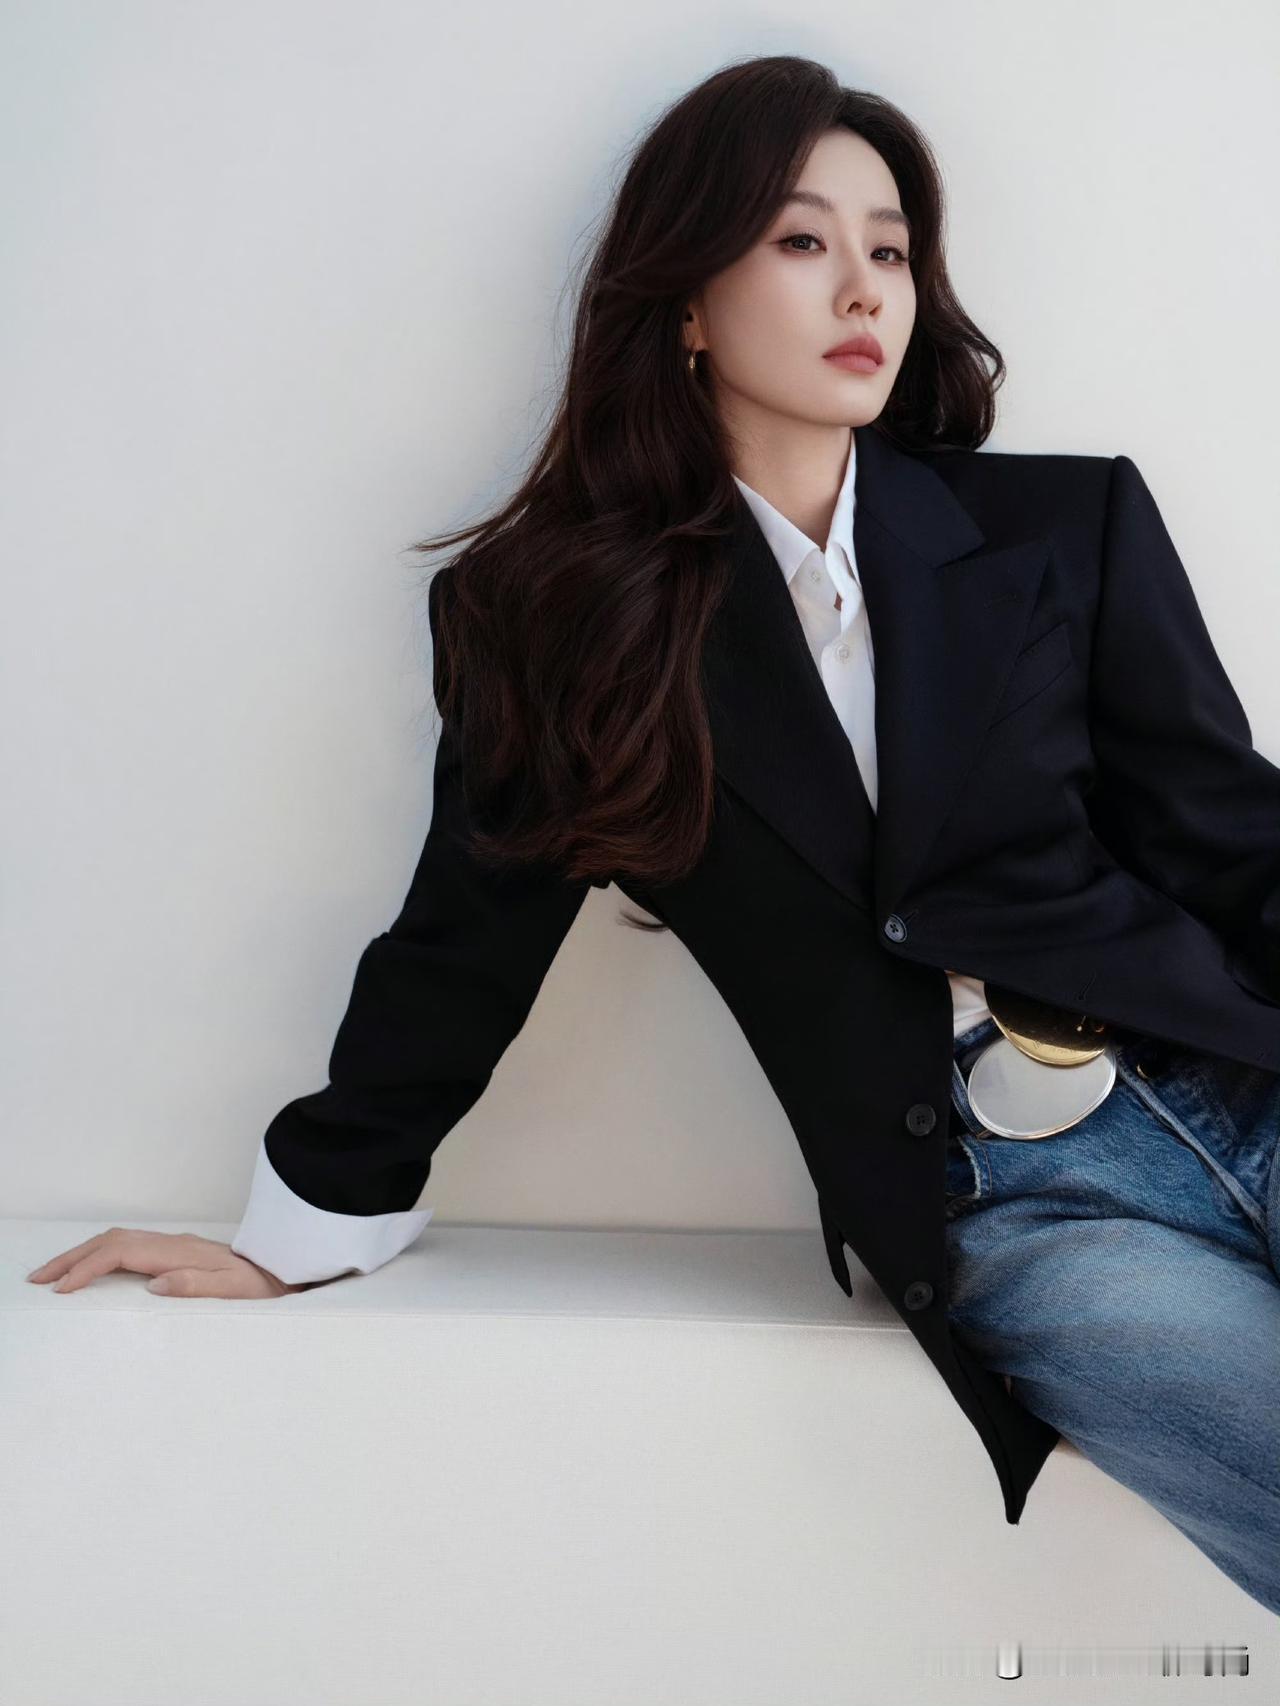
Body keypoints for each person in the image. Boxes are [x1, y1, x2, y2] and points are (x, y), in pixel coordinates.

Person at [28, 55, 1280, 1615]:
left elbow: (1230, 835)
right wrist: (301, 1224)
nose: (865, 288)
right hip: (1009, 1205)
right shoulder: (562, 623)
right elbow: (461, 946)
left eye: (891, 248)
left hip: (1234, 1076)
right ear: (686, 300)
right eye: (802, 240)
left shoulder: (1062, 526)